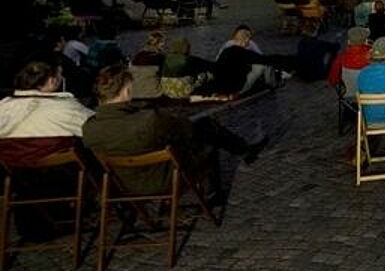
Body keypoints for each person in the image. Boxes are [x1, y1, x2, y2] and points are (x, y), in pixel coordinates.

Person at [82, 65, 267, 197]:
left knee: (202, 127)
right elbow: (186, 130)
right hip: (164, 178)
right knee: (205, 127)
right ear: (125, 91)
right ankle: (216, 189)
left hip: (123, 184)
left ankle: (244, 150)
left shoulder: (90, 128)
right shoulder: (149, 119)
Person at [0, 62, 94, 138]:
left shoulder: (3, 106)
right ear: (51, 82)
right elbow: (96, 130)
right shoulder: (66, 108)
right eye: (60, 76)